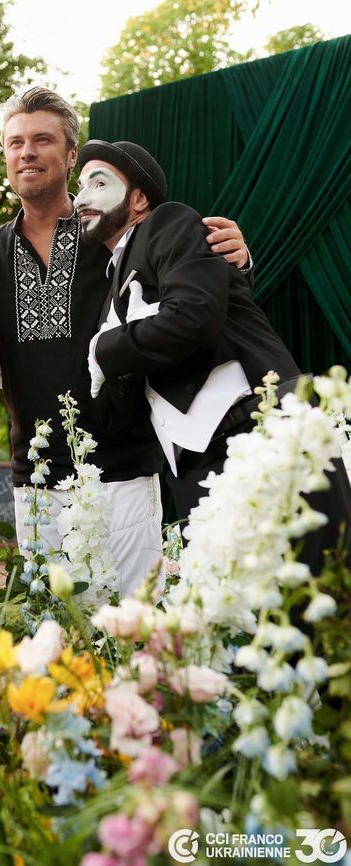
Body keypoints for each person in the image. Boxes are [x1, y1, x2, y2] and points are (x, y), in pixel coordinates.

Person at [0, 87, 249, 595]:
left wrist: (236, 261)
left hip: (121, 469)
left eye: (42, 140)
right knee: (52, 627)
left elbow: (190, 295)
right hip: (33, 477)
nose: (27, 153)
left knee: (128, 626)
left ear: (71, 155)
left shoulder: (113, 229)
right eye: (16, 143)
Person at [76, 139, 350, 567]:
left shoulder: (167, 222)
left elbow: (193, 317)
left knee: (319, 585)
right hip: (192, 471)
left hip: (260, 427)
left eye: (98, 183)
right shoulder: (109, 293)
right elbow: (112, 413)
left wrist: (104, 350)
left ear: (139, 198)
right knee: (232, 598)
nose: (80, 199)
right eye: (80, 187)